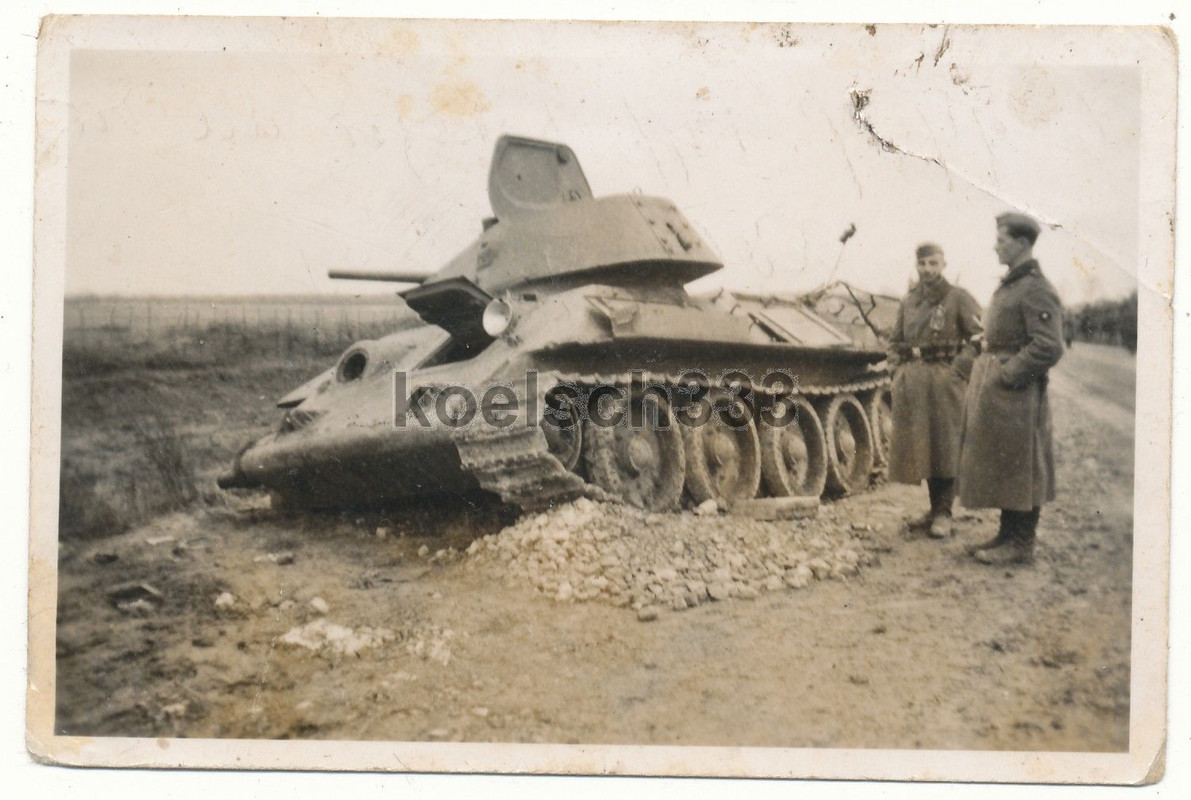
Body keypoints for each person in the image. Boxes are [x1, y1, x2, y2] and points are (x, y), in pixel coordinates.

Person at [958, 212, 1065, 566]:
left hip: (1018, 393)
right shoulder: (1012, 284)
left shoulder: (1035, 287)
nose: (995, 246)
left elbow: (1049, 345)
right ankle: (1007, 534)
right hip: (1003, 393)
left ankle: (1022, 543)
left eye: (1001, 240)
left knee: (1023, 464)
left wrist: (1007, 374)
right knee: (1006, 462)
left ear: (1022, 244)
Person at [887, 243, 983, 539]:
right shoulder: (909, 301)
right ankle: (933, 509)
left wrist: (959, 371)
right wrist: (896, 371)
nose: (927, 270)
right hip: (914, 383)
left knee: (947, 445)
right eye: (922, 264)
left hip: (945, 380)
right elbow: (894, 341)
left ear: (943, 265)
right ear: (916, 266)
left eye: (933, 263)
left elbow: (979, 337)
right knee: (924, 447)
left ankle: (944, 512)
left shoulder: (958, 298)